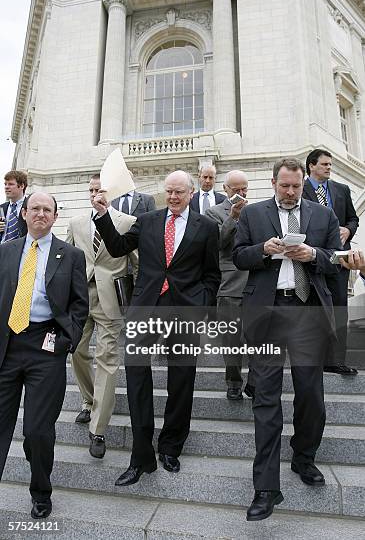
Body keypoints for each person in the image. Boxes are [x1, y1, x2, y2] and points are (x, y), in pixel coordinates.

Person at [93, 170, 220, 486]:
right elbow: (118, 246)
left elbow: (211, 274)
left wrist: (201, 304)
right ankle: (140, 456)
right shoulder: (148, 220)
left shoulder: (207, 227)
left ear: (191, 193)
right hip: (146, 306)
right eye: (170, 192)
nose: (174, 197)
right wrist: (103, 214)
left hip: (185, 310)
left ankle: (171, 446)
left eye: (180, 192)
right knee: (136, 376)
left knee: (182, 379)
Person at [233, 157, 341, 521]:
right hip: (267, 314)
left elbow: (333, 260)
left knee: (311, 395)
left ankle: (303, 456)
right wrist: (264, 250)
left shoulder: (322, 216)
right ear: (274, 182)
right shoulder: (253, 215)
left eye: (296, 186)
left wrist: (313, 255)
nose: (291, 192)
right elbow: (238, 257)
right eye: (284, 186)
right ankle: (265, 487)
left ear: (302, 183)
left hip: (307, 313)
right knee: (265, 399)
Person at [0, 192, 88, 520]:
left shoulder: (72, 256)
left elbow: (80, 305)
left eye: (47, 209)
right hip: (7, 346)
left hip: (45, 346)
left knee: (38, 430)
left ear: (55, 216)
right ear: (23, 213)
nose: (40, 214)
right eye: (34, 208)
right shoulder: (5, 252)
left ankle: (41, 491)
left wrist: (66, 341)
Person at [66, 174, 137, 458]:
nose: (95, 194)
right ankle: (89, 400)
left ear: (111, 194)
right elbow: (67, 260)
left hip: (111, 299)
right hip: (80, 298)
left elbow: (137, 263)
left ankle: (98, 428)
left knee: (106, 358)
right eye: (92, 190)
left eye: (101, 190)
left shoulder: (127, 222)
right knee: (78, 351)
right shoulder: (76, 223)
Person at [303, 149, 359, 375]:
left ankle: (336, 360)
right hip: (312, 257)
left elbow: (353, 218)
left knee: (338, 308)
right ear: (311, 166)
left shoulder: (341, 190)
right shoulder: (299, 189)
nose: (329, 168)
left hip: (339, 259)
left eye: (330, 164)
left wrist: (348, 229)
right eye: (324, 164)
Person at [205, 170, 253, 400]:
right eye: (236, 189)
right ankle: (233, 381)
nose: (241, 193)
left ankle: (254, 380)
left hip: (256, 282)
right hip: (230, 283)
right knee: (231, 338)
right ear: (226, 190)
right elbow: (218, 244)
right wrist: (232, 217)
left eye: (244, 189)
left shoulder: (257, 211)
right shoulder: (213, 213)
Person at [0, 170, 28, 243]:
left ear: (22, 186)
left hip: (21, 250)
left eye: (11, 184)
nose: (6, 187)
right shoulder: (1, 208)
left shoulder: (30, 206)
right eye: (5, 184)